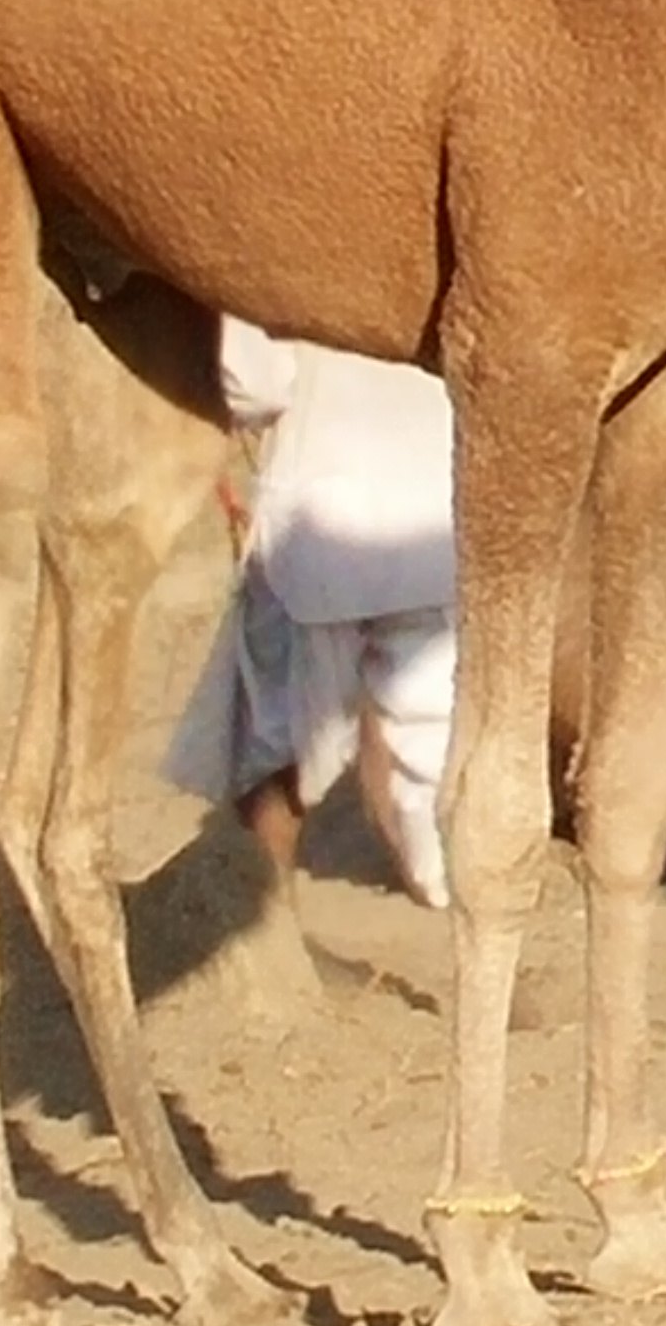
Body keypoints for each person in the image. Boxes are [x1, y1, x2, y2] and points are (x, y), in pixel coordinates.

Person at [163, 318, 461, 918]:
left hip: (318, 521)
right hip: (437, 521)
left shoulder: (280, 241)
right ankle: (451, 909)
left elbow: (255, 384)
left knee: (274, 740)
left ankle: (270, 917)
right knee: (428, 745)